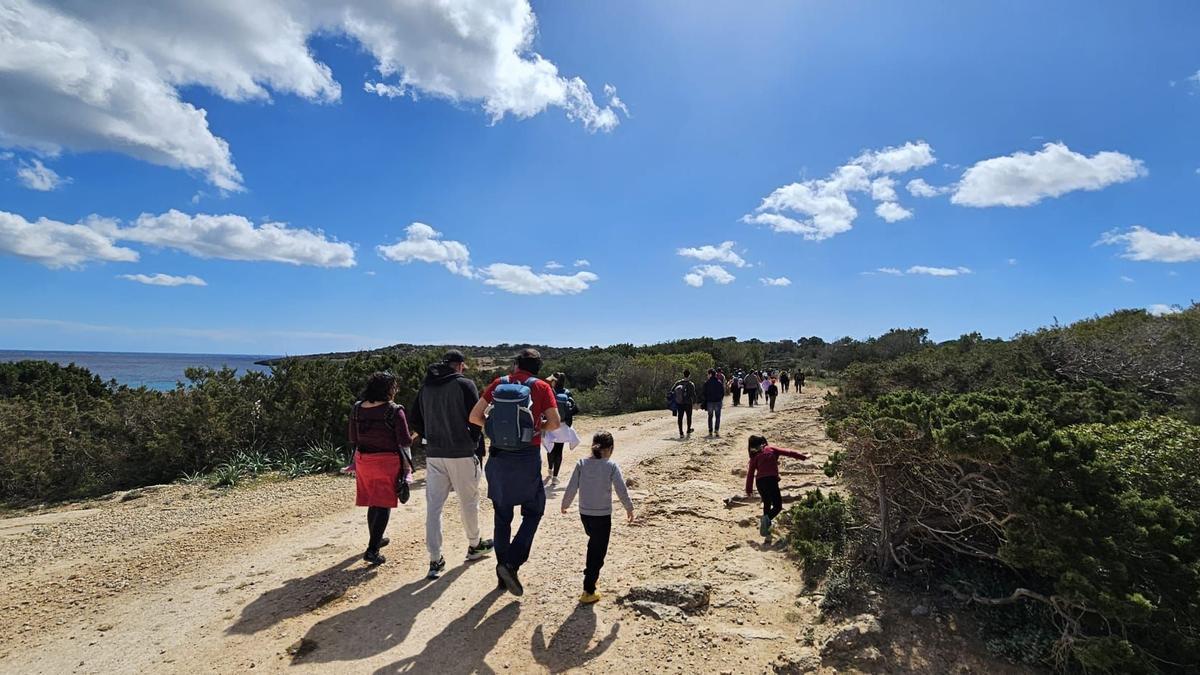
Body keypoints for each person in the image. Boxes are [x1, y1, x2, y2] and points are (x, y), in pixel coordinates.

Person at [470, 348, 561, 596]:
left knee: (502, 517)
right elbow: (554, 423)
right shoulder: (542, 387)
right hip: (526, 458)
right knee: (534, 510)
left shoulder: (499, 383)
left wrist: (493, 427)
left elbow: (474, 416)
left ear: (516, 364)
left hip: (499, 457)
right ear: (537, 367)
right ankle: (511, 563)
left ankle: (502, 575)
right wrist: (535, 427)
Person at [409, 350, 494, 580]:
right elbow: (475, 417)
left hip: (435, 453)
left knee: (434, 507)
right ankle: (474, 545)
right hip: (461, 452)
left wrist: (429, 434)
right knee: (468, 502)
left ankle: (435, 559)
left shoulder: (426, 386)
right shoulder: (464, 384)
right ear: (459, 365)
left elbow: (414, 418)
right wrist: (474, 440)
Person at [561, 431, 634, 604]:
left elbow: (572, 486)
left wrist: (565, 503)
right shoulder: (611, 466)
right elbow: (621, 489)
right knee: (597, 552)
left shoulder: (581, 463)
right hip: (602, 515)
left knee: (593, 542)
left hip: (584, 514)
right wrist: (629, 508)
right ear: (610, 449)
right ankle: (589, 589)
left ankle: (591, 575)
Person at [349, 372, 413, 565]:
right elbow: (404, 441)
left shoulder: (357, 408)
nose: (396, 390)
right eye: (394, 387)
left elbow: (353, 436)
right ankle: (373, 549)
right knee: (384, 504)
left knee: (372, 502)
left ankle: (376, 538)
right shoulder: (394, 410)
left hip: (364, 460)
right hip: (387, 462)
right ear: (388, 389)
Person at [745, 435, 808, 539]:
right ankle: (766, 520)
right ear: (763, 442)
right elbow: (789, 453)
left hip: (760, 482)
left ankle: (767, 531)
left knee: (767, 503)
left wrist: (749, 490)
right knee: (777, 506)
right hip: (771, 480)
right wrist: (803, 457)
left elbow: (750, 474)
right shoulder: (770, 449)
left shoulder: (754, 456)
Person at [544, 373, 579, 485]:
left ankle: (550, 469)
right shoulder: (567, 392)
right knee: (559, 450)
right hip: (562, 425)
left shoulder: (549, 391)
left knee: (550, 448)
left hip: (550, 422)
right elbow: (575, 409)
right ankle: (555, 477)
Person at [671, 369, 697, 438]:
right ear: (689, 375)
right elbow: (693, 395)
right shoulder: (691, 384)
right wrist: (695, 402)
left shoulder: (678, 383)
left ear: (683, 374)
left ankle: (681, 432)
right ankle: (688, 430)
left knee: (680, 417)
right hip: (688, 403)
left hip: (679, 403)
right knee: (689, 417)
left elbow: (672, 390)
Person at [702, 368, 725, 437]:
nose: (707, 375)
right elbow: (722, 392)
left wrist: (706, 400)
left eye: (708, 374)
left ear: (710, 374)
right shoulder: (719, 382)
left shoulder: (707, 383)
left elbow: (704, 393)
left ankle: (710, 431)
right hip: (718, 401)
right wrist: (720, 399)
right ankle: (717, 430)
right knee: (717, 417)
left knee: (710, 417)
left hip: (710, 402)